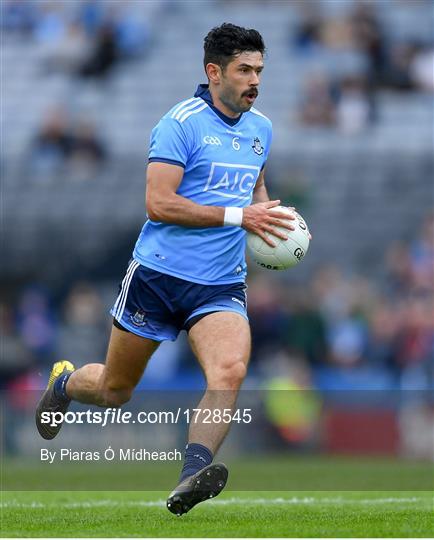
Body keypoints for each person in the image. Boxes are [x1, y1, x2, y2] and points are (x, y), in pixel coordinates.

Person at [36, 23, 297, 515]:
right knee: (115, 390)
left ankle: (189, 478)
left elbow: (254, 190)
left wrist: (269, 226)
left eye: (259, 70)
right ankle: (65, 384)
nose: (254, 80)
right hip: (157, 277)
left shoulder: (261, 127)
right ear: (214, 72)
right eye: (244, 70)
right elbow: (158, 203)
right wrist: (240, 216)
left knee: (230, 370)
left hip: (219, 284)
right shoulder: (180, 123)